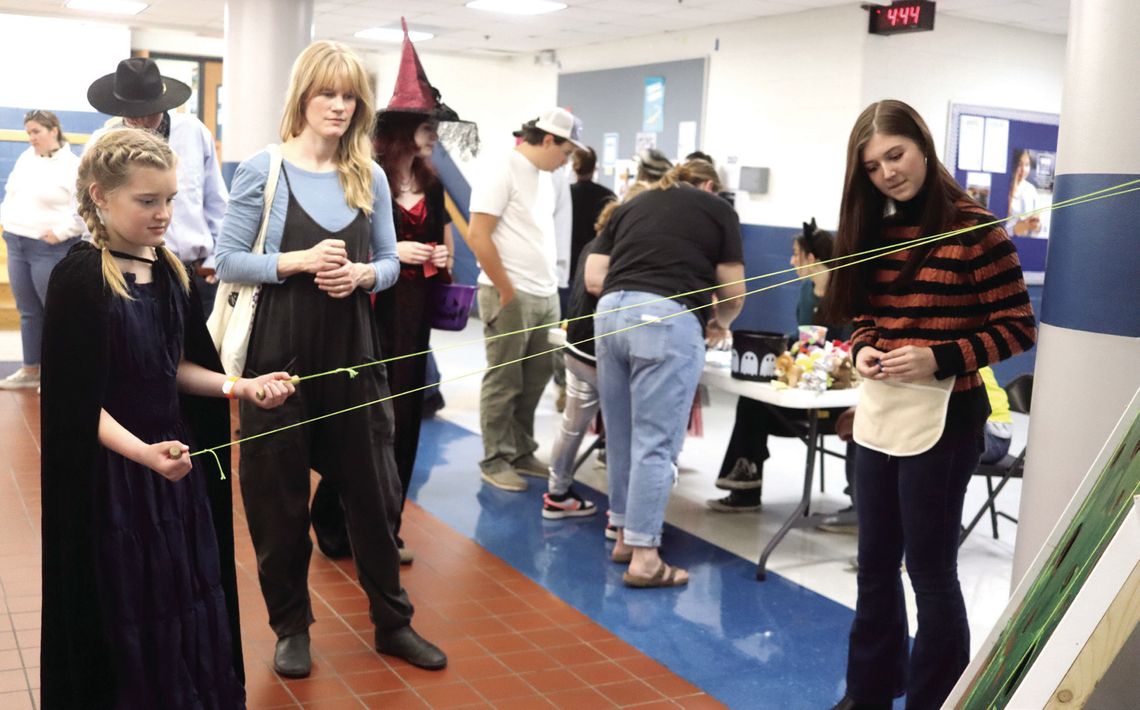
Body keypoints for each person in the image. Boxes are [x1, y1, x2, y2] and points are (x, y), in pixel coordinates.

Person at [39, 127, 297, 708]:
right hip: (116, 483)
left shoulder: (174, 270)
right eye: (147, 201)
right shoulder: (80, 278)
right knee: (131, 607)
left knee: (187, 595)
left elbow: (175, 367)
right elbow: (74, 403)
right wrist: (141, 454)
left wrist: (240, 386)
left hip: (176, 474)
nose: (164, 214)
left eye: (171, 199)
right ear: (102, 196)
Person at [215, 39, 446, 678]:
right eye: (328, 94)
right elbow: (227, 261)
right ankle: (291, 628)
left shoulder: (367, 174)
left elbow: (393, 261)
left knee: (374, 494)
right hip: (275, 361)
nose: (340, 107)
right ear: (303, 98)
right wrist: (297, 261)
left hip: (353, 357)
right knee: (277, 501)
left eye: (350, 97)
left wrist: (364, 278)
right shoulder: (264, 170)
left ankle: (394, 622)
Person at [822, 100, 1035, 710]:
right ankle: (867, 692)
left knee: (930, 573)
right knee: (873, 565)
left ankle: (936, 699)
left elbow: (1018, 329)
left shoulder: (978, 230)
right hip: (881, 414)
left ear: (922, 146)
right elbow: (867, 316)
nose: (888, 172)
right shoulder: (875, 231)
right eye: (872, 165)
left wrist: (941, 356)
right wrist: (863, 348)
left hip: (947, 420)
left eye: (896, 155)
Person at [308, 21, 462, 565]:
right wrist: (398, 253)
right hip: (369, 312)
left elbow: (439, 242)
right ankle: (332, 518)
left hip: (413, 315)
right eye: (427, 126)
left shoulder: (434, 180)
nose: (434, 135)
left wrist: (439, 257)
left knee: (404, 420)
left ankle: (385, 528)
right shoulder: (362, 176)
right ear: (403, 127)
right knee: (360, 422)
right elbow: (344, 246)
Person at [587, 160, 745, 588]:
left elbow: (592, 275)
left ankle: (624, 535)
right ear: (711, 185)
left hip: (609, 316)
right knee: (655, 445)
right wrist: (721, 324)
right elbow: (733, 292)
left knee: (620, 438)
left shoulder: (633, 204)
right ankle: (646, 559)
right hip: (664, 318)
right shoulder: (718, 210)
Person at [465, 107, 583, 492]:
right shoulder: (502, 168)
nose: (566, 161)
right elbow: (478, 234)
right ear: (548, 139)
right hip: (510, 291)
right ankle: (495, 457)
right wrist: (505, 288)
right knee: (504, 379)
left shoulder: (547, 177)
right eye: (564, 152)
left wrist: (551, 288)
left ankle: (519, 449)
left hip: (544, 293)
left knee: (534, 381)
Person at [707, 220, 856, 514]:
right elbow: (800, 341)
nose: (790, 260)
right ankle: (746, 487)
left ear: (811, 259)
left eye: (795, 254)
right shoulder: (805, 292)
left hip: (838, 401)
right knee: (752, 403)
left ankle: (861, 502)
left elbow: (848, 353)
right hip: (805, 394)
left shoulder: (848, 297)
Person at [87, 57, 228, 314]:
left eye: (147, 113)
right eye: (132, 114)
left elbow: (217, 202)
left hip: (194, 273)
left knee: (197, 354)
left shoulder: (193, 132)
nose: (139, 121)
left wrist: (215, 260)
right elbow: (86, 208)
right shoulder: (101, 143)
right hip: (127, 273)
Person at [542, 184, 638, 520]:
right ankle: (622, 516)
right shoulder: (621, 250)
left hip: (577, 345)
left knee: (572, 425)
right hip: (600, 352)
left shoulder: (593, 244)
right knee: (624, 434)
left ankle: (557, 492)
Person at [0, 109, 84, 391]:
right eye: (28, 132)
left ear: (53, 130)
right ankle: (31, 368)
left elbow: (83, 211)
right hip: (16, 241)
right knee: (28, 311)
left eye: (36, 132)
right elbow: (12, 193)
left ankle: (58, 372)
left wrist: (61, 233)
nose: (31, 138)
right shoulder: (26, 158)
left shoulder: (72, 165)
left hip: (48, 248)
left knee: (55, 311)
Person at [1006, 148, 1041, 237]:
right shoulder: (1004, 188)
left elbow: (1038, 226)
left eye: (1027, 165)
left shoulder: (1031, 189)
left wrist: (1034, 224)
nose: (1023, 169)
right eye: (1019, 165)